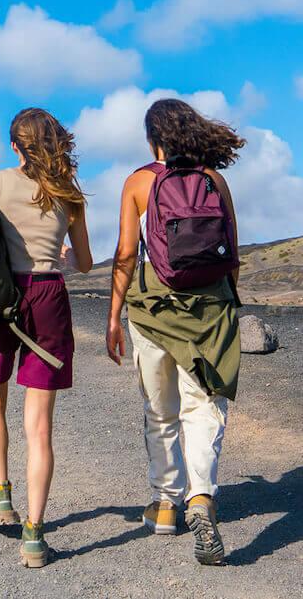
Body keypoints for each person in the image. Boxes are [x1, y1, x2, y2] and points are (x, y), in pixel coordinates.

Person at [106, 98, 243, 567]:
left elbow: (126, 255)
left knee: (160, 409)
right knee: (204, 407)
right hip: (210, 310)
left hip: (151, 311)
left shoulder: (139, 183)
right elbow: (234, 255)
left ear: (153, 139)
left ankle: (166, 504)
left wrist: (113, 315)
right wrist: (225, 306)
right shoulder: (214, 180)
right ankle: (201, 499)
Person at [0, 107, 93, 568]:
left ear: (14, 146)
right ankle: (34, 537)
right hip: (48, 296)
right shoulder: (69, 192)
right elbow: (84, 264)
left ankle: (2, 498)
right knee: (40, 428)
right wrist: (58, 247)